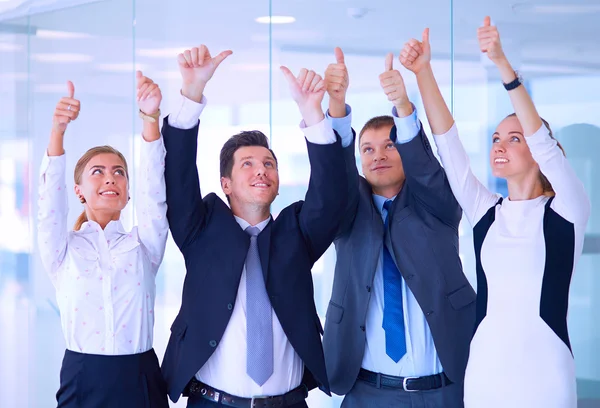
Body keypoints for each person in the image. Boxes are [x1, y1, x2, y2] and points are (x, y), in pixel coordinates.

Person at [400, 17, 591, 408]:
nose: (500, 146)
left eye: (514, 139)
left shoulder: (567, 210)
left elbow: (543, 138)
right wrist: (423, 74)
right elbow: (448, 146)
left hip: (546, 377)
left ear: (538, 153)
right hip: (485, 374)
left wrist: (503, 66)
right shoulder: (486, 211)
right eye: (496, 139)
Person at [159, 45, 348, 407]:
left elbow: (332, 196)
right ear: (225, 184)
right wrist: (192, 92)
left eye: (269, 163)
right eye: (247, 164)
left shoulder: (297, 233)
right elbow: (178, 177)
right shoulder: (200, 228)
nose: (261, 169)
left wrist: (312, 114)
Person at [322, 46, 474, 408]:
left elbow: (425, 168)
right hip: (368, 391)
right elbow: (335, 175)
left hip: (443, 389)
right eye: (368, 149)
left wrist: (403, 106)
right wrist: (337, 106)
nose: (378, 156)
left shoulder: (436, 203)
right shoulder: (348, 211)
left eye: (390, 145)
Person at [38, 72, 169, 407]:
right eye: (98, 171)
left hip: (140, 375)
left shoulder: (144, 246)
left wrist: (150, 118)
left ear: (127, 194)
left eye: (119, 172)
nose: (110, 178)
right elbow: (49, 206)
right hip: (83, 376)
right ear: (79, 191)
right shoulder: (63, 250)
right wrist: (58, 131)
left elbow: (154, 192)